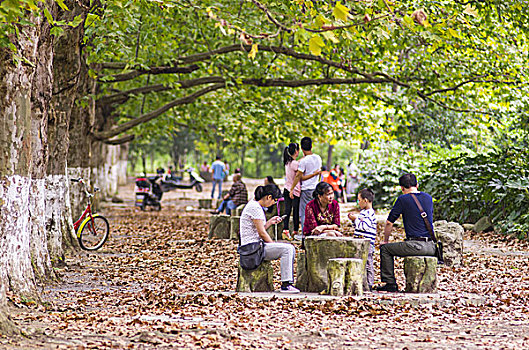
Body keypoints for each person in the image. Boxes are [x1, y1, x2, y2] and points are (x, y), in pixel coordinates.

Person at [377, 173, 436, 292]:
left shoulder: (403, 199)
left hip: (416, 246)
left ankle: (390, 283)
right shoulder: (428, 198)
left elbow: (389, 222)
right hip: (431, 246)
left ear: (402, 188)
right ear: (417, 185)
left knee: (385, 249)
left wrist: (385, 241)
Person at [239, 184, 300, 293]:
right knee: (288, 249)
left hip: (254, 246)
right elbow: (262, 233)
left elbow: (258, 229)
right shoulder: (255, 208)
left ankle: (287, 282)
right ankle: (286, 285)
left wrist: (270, 222)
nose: (274, 203)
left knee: (287, 247)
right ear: (269, 197)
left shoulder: (254, 205)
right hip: (252, 250)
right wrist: (272, 244)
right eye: (274, 200)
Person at [289, 137, 322, 236]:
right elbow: (318, 173)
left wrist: (292, 189)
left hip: (306, 190)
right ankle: (316, 233)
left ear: (302, 149)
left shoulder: (304, 161)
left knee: (304, 213)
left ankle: (305, 235)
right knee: (315, 212)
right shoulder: (318, 158)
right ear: (311, 146)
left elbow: (299, 176)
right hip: (316, 189)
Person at [348, 188, 377, 291]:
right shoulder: (363, 212)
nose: (358, 203)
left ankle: (369, 284)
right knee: (360, 263)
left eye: (359, 200)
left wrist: (355, 219)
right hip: (359, 242)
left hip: (368, 244)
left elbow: (364, 226)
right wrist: (354, 219)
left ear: (365, 200)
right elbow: (358, 225)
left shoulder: (370, 213)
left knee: (368, 264)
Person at [282, 143, 301, 241]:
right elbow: (300, 173)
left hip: (286, 188)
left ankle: (285, 230)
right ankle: (295, 231)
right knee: (296, 211)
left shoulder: (287, 162)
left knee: (287, 210)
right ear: (296, 151)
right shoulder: (295, 164)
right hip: (294, 190)